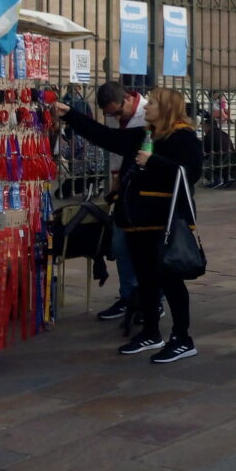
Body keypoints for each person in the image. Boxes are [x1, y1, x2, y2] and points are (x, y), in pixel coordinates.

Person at [56, 88, 204, 362]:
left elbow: (189, 173)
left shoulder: (183, 137)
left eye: (153, 104)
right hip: (137, 222)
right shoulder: (146, 134)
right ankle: (151, 332)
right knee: (146, 280)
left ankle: (182, 338)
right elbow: (106, 137)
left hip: (164, 223)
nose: (146, 107)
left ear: (166, 109)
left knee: (170, 281)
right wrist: (70, 115)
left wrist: (153, 161)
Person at [92, 82, 147, 322]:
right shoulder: (114, 117)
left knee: (144, 251)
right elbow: (113, 148)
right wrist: (115, 178)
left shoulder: (148, 114)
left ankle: (149, 301)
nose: (115, 117)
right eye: (110, 114)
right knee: (120, 245)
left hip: (143, 194)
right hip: (122, 188)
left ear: (127, 99)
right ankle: (128, 296)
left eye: (117, 112)